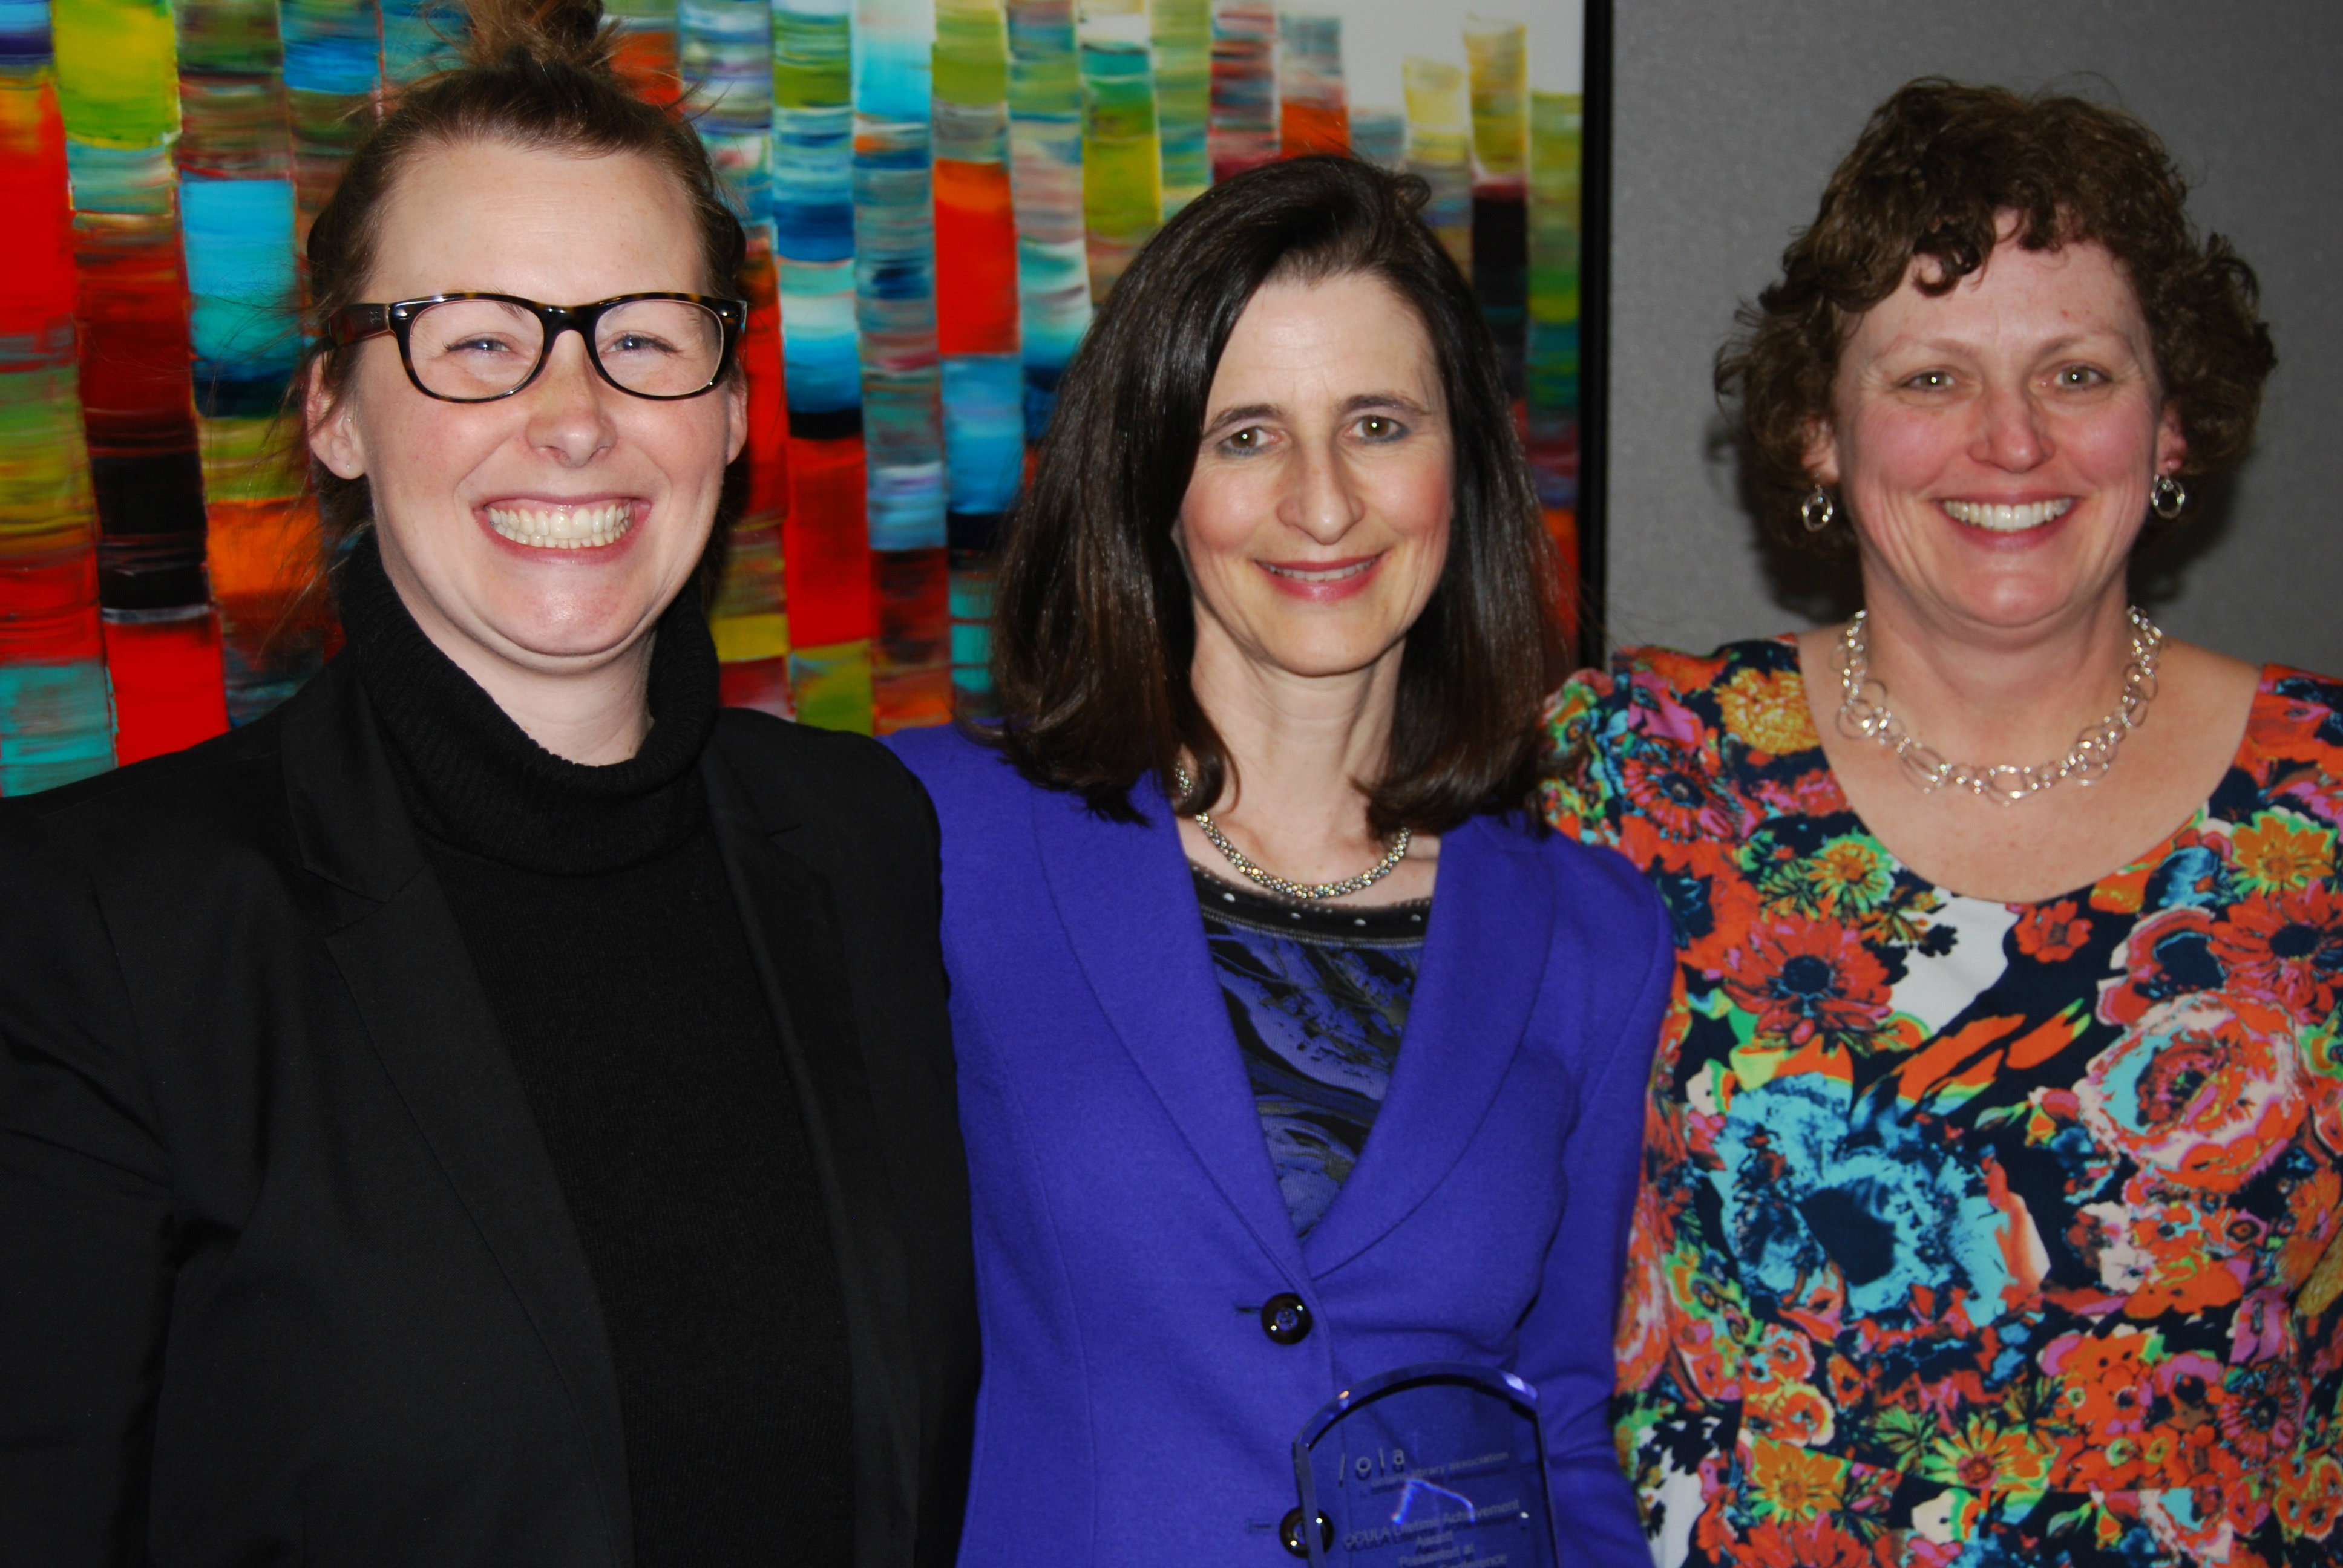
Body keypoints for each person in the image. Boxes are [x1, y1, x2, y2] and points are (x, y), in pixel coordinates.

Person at [0, 5, 976, 1564]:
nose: (574, 418)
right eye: (474, 341)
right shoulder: (94, 931)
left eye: (643, 335)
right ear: (330, 410)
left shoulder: (860, 842)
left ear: (729, 411)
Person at [1545, 80, 2339, 1568]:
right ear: (1815, 440)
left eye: (2078, 375)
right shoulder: (1631, 775)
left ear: (2172, 428)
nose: (2012, 444)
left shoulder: (2329, 800)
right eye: (1928, 381)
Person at [888, 155, 1672, 1567]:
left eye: (1376, 423)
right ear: (1154, 483)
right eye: (1244, 435)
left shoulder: (1592, 935)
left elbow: (1557, 1426)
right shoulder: (940, 841)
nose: (1322, 504)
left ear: (1462, 466)